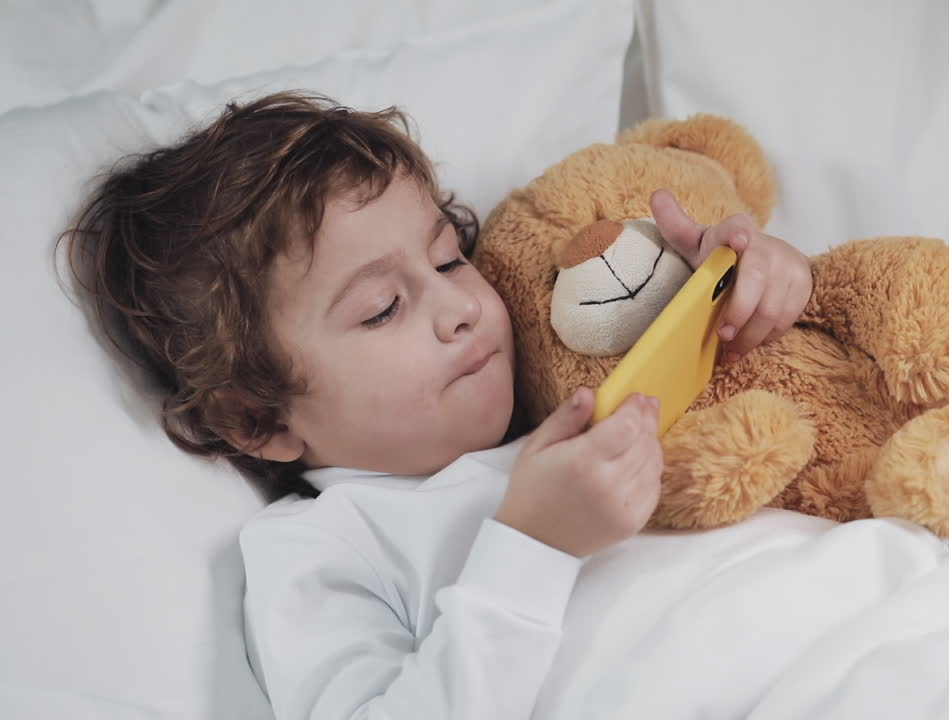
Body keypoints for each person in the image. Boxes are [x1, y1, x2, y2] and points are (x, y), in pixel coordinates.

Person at [63, 91, 813, 719]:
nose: (459, 304)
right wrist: (535, 547)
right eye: (384, 307)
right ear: (258, 419)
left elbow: (806, 402)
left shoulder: (566, 376)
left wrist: (763, 288)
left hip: (880, 598)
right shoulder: (324, 547)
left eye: (449, 255)